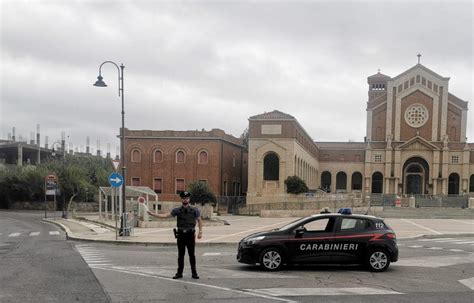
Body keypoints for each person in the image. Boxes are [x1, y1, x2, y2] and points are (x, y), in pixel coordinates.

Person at [148, 191, 202, 279]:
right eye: (184, 198)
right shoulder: (177, 210)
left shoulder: (194, 210)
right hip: (181, 235)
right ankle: (179, 273)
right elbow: (166, 215)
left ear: (189, 199)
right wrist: (153, 214)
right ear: (181, 199)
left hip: (190, 234)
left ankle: (194, 273)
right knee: (181, 255)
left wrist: (200, 232)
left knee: (192, 254)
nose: (185, 200)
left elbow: (199, 220)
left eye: (187, 198)